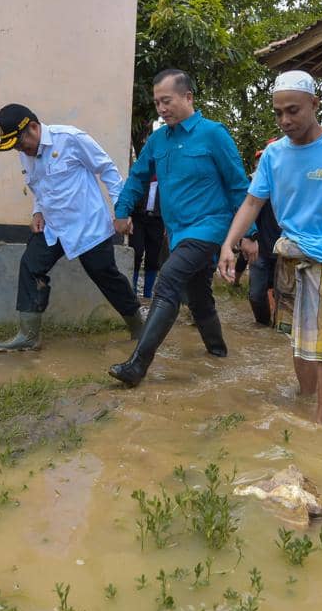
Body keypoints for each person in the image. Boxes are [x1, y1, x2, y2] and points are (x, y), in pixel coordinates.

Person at [219, 70, 322, 424]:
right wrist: (228, 245)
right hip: (290, 256)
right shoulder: (274, 155)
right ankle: (306, 404)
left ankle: (321, 423)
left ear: (314, 104)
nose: (285, 120)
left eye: (293, 110)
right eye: (278, 113)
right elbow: (251, 204)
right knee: (298, 339)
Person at [108, 69, 254, 387]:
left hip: (209, 228)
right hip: (176, 232)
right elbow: (137, 177)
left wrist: (249, 234)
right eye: (157, 102)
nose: (161, 109)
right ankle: (218, 353)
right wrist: (121, 211)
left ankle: (137, 366)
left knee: (168, 282)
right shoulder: (158, 140)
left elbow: (238, 186)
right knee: (198, 296)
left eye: (167, 101)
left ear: (188, 97)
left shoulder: (214, 134)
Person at [0, 104, 143, 351]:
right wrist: (37, 211)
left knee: (105, 275)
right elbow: (39, 186)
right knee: (31, 266)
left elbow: (108, 170)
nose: (20, 150)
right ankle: (29, 336)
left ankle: (139, 328)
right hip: (54, 227)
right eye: (15, 147)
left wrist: (121, 211)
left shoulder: (70, 138)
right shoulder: (25, 153)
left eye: (20, 143)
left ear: (33, 127)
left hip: (87, 224)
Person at [245, 139, 283, 326]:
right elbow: (245, 210)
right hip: (260, 245)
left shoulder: (293, 181)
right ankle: (263, 326)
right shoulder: (253, 182)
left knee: (284, 295)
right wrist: (246, 237)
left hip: (286, 247)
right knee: (256, 294)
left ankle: (279, 329)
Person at [128, 173, 165, 299]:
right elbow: (131, 193)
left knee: (153, 258)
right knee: (136, 252)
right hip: (138, 218)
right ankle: (132, 289)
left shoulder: (166, 176)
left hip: (158, 221)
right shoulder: (142, 174)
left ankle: (147, 294)